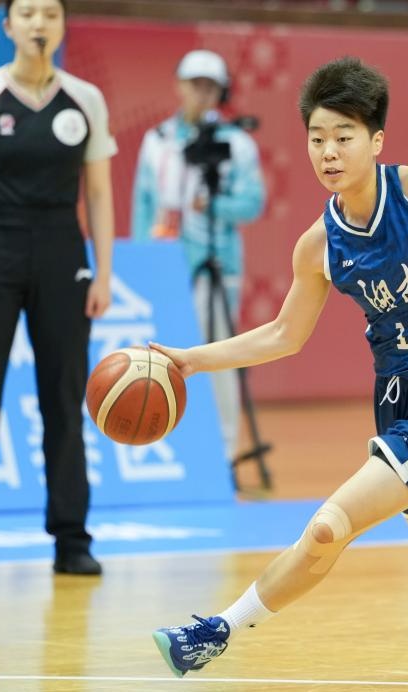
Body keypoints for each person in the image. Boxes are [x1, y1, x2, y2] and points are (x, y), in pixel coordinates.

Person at [148, 57, 408, 676]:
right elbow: (284, 334)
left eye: (343, 137)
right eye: (317, 139)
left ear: (376, 141)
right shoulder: (318, 244)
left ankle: (217, 630)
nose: (329, 152)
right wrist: (192, 359)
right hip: (397, 401)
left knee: (330, 527)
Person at [0, 0, 116, 576]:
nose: (38, 23)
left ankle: (72, 540)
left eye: (49, 13)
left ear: (62, 25)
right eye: (26, 13)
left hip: (61, 253)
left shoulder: (85, 99)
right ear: (8, 26)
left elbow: (98, 193)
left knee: (64, 399)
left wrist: (103, 273)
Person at [131, 49, 265, 462]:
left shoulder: (236, 142)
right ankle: (169, 447)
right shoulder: (156, 140)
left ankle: (223, 455)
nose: (202, 94)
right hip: (165, 265)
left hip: (217, 265)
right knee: (163, 358)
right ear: (179, 85)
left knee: (219, 358)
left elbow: (253, 201)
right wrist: (141, 262)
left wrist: (214, 205)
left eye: (211, 87)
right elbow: (143, 204)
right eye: (195, 84)